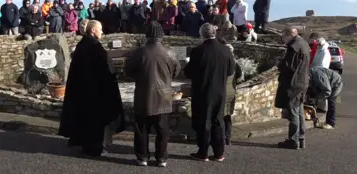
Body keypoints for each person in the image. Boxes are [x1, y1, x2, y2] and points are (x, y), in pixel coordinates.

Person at [59, 20, 125, 156]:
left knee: (85, 119)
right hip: (96, 92)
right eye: (100, 29)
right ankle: (95, 148)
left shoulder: (81, 45)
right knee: (96, 121)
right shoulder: (96, 48)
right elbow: (106, 71)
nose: (102, 32)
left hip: (82, 92)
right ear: (93, 30)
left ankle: (86, 145)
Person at [125, 21, 181, 167]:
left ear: (147, 35)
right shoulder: (170, 52)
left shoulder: (140, 52)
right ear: (161, 35)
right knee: (162, 130)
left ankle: (143, 157)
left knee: (142, 129)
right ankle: (161, 158)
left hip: (143, 96)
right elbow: (176, 71)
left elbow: (128, 72)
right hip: (163, 96)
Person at [184, 23, 235, 162]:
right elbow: (231, 71)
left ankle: (203, 152)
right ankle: (219, 153)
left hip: (203, 91)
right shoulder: (226, 50)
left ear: (202, 34)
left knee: (203, 121)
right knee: (218, 120)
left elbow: (189, 72)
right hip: (220, 91)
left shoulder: (198, 51)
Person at [275, 27, 310, 149]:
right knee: (299, 111)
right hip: (302, 81)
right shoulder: (303, 44)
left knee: (294, 112)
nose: (283, 39)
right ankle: (301, 138)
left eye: (283, 37)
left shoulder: (294, 47)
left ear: (289, 35)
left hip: (295, 83)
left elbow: (289, 66)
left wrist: (280, 64)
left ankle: (293, 140)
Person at [224, 44, 243, 145]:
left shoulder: (222, 62)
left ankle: (222, 138)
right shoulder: (236, 63)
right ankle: (228, 138)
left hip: (222, 91)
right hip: (231, 92)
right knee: (227, 115)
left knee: (221, 115)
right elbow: (240, 78)